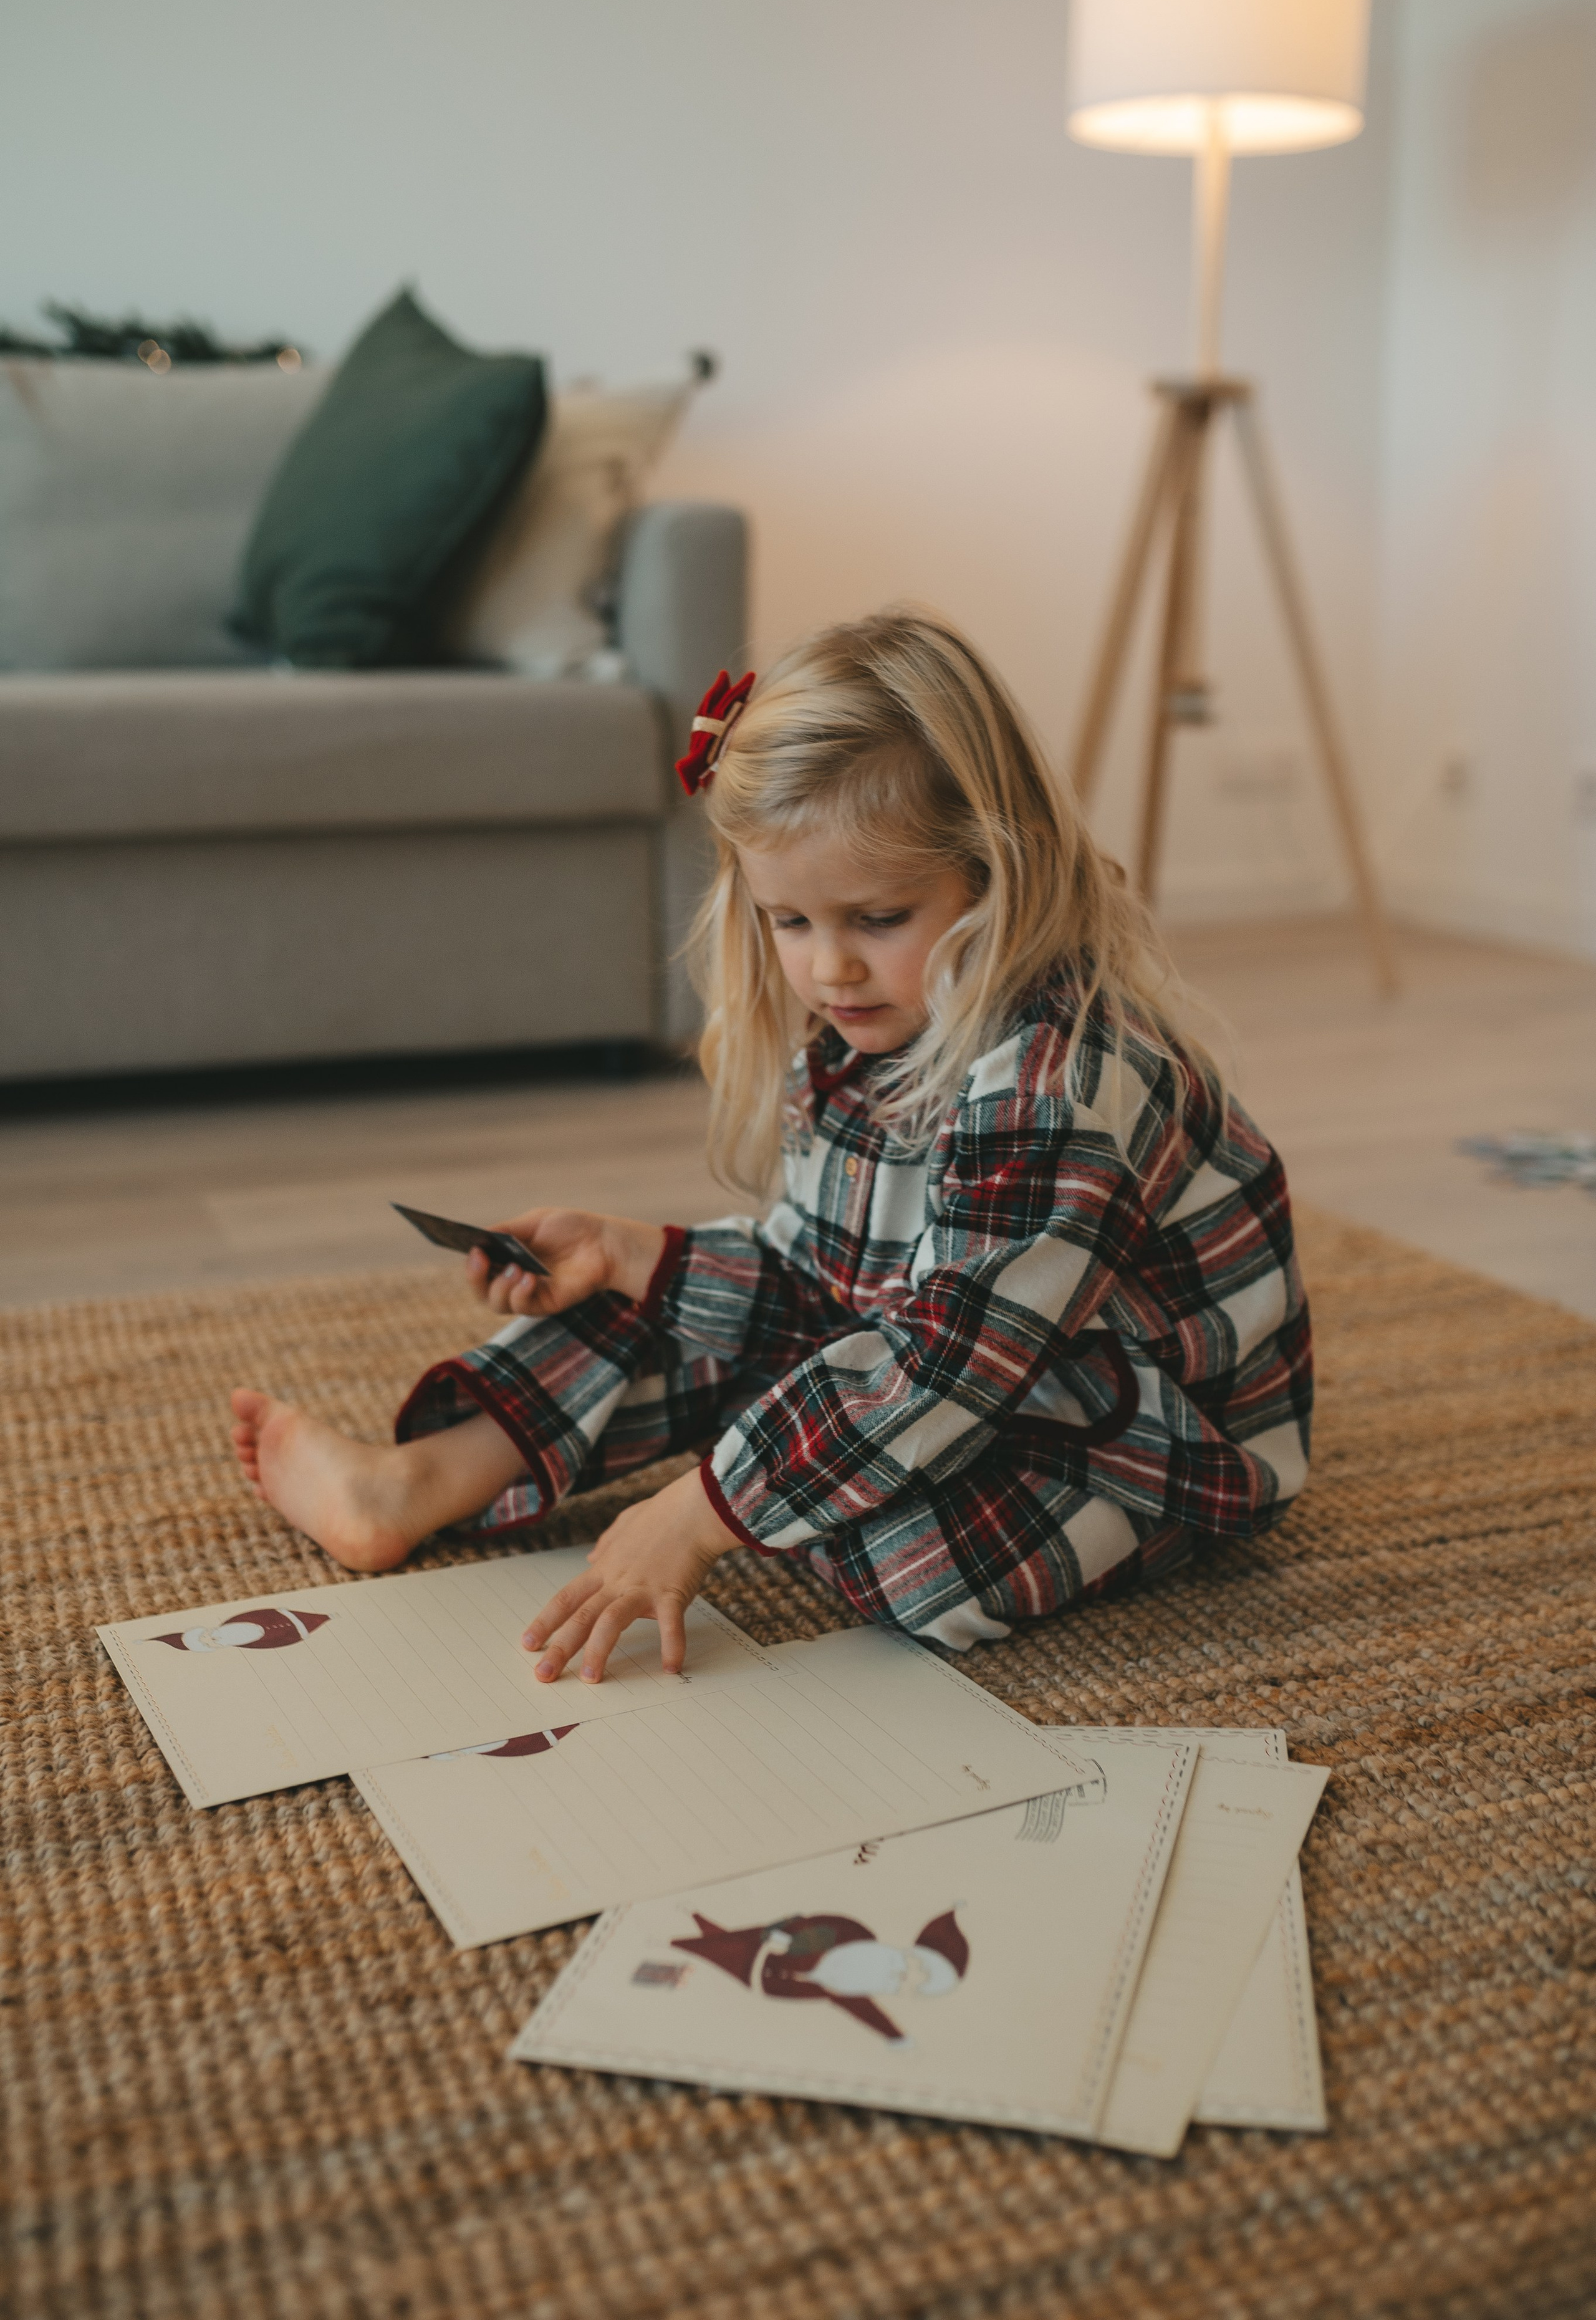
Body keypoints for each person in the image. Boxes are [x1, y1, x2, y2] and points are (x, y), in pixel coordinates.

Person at [231, 612, 1312, 1684]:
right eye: (789, 922)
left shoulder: (1060, 1080)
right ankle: (410, 1485)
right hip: (956, 1358)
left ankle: (796, 1472)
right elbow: (819, 1280)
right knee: (660, 1311)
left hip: (1134, 1435)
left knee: (915, 1564)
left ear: (994, 872)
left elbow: (939, 1364)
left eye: (878, 918)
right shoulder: (863, 1031)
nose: (829, 969)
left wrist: (700, 1511)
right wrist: (633, 1255)